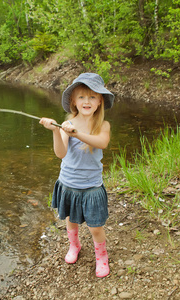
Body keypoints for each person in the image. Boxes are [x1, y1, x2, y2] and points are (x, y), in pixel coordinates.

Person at [39, 72, 114, 278]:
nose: (86, 101)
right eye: (81, 97)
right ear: (73, 101)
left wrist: (77, 134)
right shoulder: (67, 124)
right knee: (70, 219)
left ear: (99, 101)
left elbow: (102, 143)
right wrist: (57, 131)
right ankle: (74, 246)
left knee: (95, 227)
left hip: (91, 186)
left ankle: (102, 257)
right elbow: (60, 153)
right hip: (68, 183)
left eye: (92, 97)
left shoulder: (102, 126)